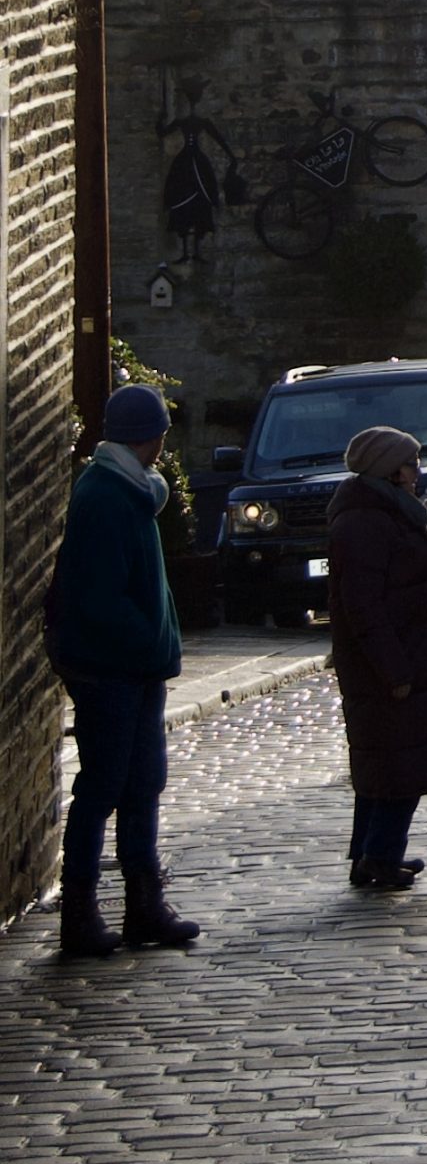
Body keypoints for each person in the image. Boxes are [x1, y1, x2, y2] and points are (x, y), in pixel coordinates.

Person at [45, 384, 200, 959]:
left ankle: (144, 905)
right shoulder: (106, 496)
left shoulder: (131, 489)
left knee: (141, 785)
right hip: (110, 670)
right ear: (150, 436)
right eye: (161, 433)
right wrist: (145, 642)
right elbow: (100, 598)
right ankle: (80, 913)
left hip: (136, 669)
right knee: (102, 787)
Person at [328, 426, 427, 889]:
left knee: (385, 767)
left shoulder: (389, 512)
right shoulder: (365, 522)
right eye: (411, 464)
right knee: (399, 768)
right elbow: (363, 605)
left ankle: (372, 853)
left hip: (410, 657)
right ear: (389, 469)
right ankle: (380, 857)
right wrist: (394, 670)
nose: (418, 472)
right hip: (390, 667)